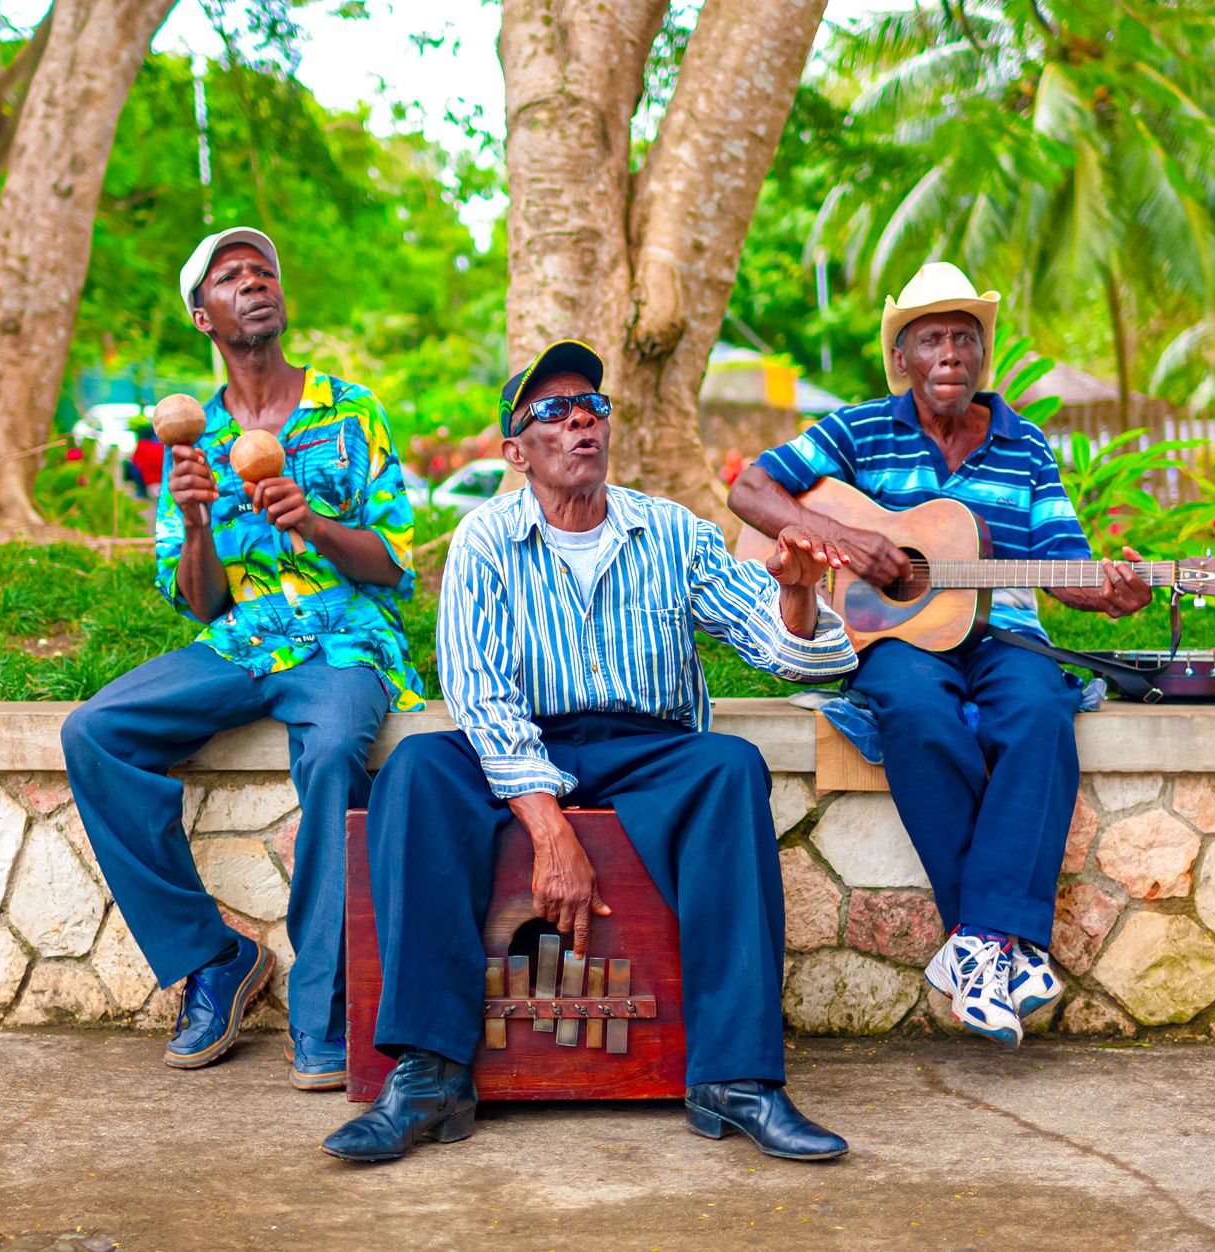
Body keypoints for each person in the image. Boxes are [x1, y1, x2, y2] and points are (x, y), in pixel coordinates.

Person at [323, 340, 857, 1164]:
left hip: (644, 745)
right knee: (418, 773)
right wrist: (550, 830)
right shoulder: (485, 541)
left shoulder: (671, 532)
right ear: (517, 451)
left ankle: (736, 1079)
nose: (579, 419)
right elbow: (483, 696)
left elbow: (788, 652)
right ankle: (430, 1074)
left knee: (730, 769)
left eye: (592, 407)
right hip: (523, 739)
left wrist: (794, 593)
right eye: (551, 411)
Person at [727, 262, 1152, 1048]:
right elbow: (750, 490)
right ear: (904, 359)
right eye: (932, 339)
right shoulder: (855, 431)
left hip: (1007, 628)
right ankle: (997, 942)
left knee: (1038, 710)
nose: (951, 353)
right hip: (896, 637)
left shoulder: (1023, 442)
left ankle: (976, 947)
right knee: (917, 713)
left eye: (964, 337)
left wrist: (1114, 592)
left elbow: (1066, 558)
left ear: (983, 356)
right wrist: (852, 540)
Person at [61, 227, 426, 1091]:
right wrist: (191, 520)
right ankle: (214, 958)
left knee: (336, 751)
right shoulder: (192, 438)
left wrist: (313, 524)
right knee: (94, 733)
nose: (254, 283)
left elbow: (395, 567)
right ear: (204, 316)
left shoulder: (351, 410)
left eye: (264, 270)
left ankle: (324, 1010)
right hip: (239, 639)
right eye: (231, 278)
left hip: (345, 636)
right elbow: (202, 602)